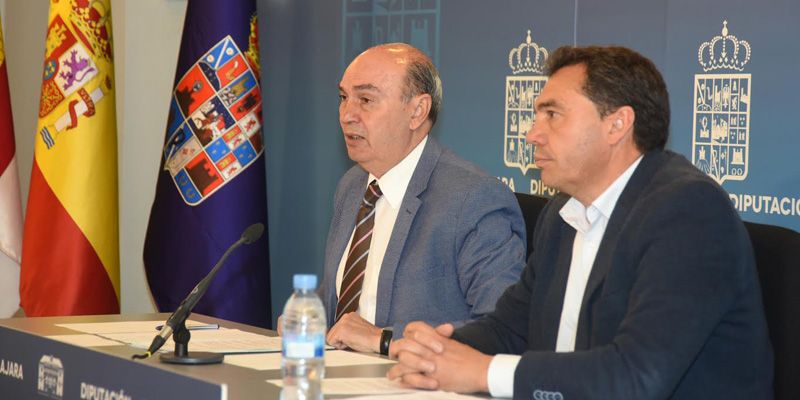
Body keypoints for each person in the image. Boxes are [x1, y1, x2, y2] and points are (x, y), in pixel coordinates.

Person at [388, 45, 773, 399]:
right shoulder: (563, 213)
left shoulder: (688, 212)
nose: (532, 135)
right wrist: (441, 349)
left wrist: (483, 372)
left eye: (553, 115)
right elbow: (511, 328)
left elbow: (638, 376)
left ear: (617, 124)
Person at [317, 43, 526, 355]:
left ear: (417, 111)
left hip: (419, 376)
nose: (347, 115)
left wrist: (385, 340)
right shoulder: (352, 186)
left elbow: (502, 326)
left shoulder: (473, 198)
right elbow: (343, 300)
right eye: (343, 98)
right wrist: (308, 319)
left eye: (366, 100)